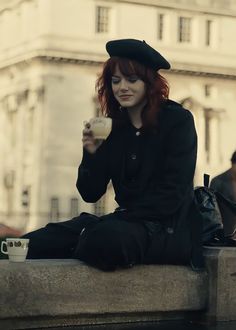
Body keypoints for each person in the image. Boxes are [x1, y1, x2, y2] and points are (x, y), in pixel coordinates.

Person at [23, 39, 203, 271]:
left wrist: (118, 220)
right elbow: (90, 192)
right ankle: (84, 239)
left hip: (166, 230)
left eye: (131, 80)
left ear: (149, 83)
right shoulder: (112, 127)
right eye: (115, 81)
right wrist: (91, 152)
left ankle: (86, 239)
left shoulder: (177, 120)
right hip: (123, 224)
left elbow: (173, 193)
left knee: (104, 239)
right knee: (34, 242)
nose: (122, 88)